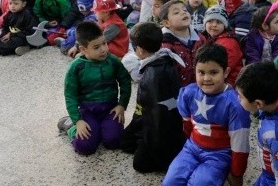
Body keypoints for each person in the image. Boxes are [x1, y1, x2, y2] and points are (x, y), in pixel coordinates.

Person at [160, 44, 251, 186]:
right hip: (193, 148)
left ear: (226, 72)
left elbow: (240, 145)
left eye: (213, 72)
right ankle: (200, 175)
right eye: (201, 72)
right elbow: (186, 124)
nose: (206, 78)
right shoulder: (188, 93)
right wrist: (189, 146)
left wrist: (236, 173)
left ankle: (219, 179)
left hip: (219, 154)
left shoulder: (235, 105)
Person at [119, 22, 187, 173]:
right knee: (125, 141)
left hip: (157, 128)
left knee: (140, 163)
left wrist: (153, 148)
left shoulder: (150, 75)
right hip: (172, 124)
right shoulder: (168, 59)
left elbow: (151, 116)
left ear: (140, 50)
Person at [56, 21, 132, 156]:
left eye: (104, 43)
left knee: (114, 141)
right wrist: (78, 121)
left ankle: (102, 130)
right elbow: (70, 95)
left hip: (110, 109)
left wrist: (122, 105)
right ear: (83, 49)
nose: (104, 49)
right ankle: (70, 126)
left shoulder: (113, 61)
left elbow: (125, 81)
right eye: (96, 47)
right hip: (87, 111)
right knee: (85, 148)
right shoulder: (76, 67)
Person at [159, 0, 208, 88]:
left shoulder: (200, 38)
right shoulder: (164, 45)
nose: (183, 13)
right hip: (178, 92)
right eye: (176, 12)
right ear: (166, 23)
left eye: (185, 10)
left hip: (201, 89)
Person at [201, 6, 243, 86]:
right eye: (210, 21)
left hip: (228, 85)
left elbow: (223, 67)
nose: (214, 25)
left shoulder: (229, 43)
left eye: (218, 22)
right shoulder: (208, 39)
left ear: (225, 25)